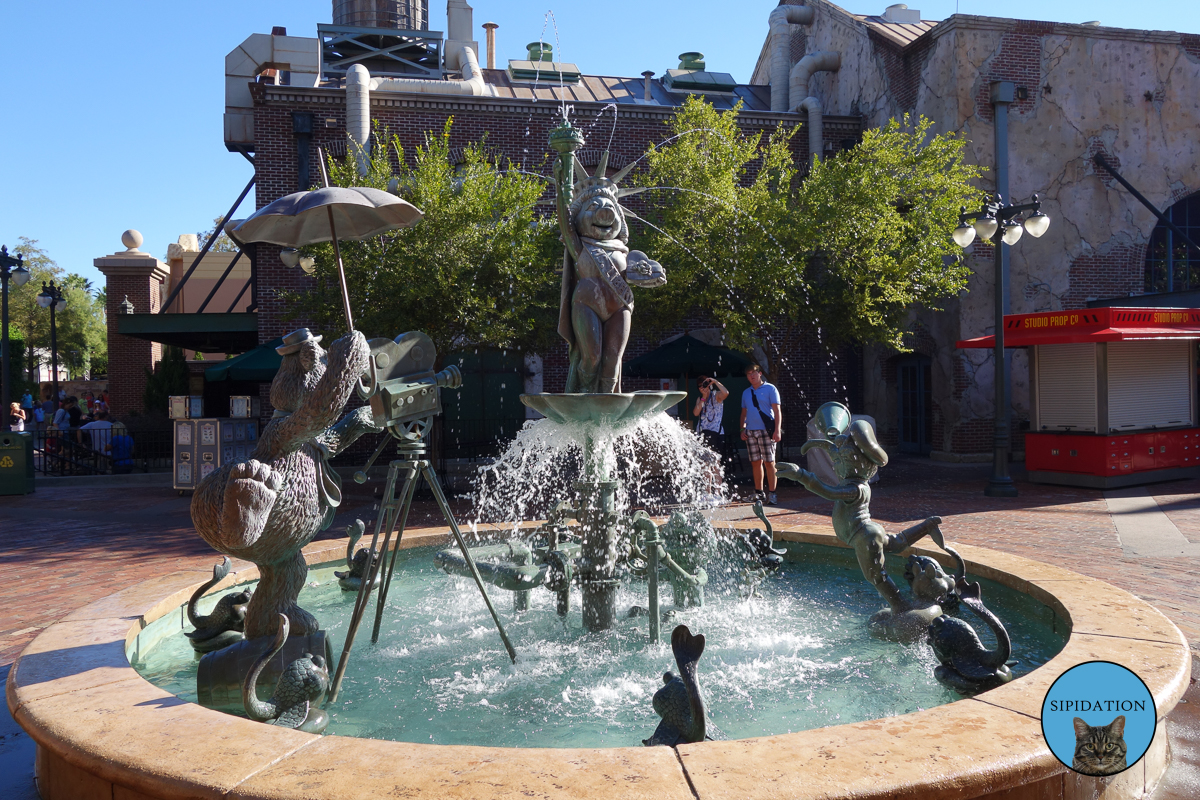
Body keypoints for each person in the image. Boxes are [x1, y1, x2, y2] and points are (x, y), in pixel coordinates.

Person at [740, 363, 782, 505]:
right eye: (748, 374)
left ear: (760, 373)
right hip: (750, 431)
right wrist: (742, 429)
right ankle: (759, 492)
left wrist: (777, 430)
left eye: (753, 372)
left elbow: (777, 411)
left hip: (766, 430)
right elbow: (743, 413)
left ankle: (773, 493)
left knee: (770, 462)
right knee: (755, 462)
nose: (751, 376)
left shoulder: (771, 389)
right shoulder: (746, 392)